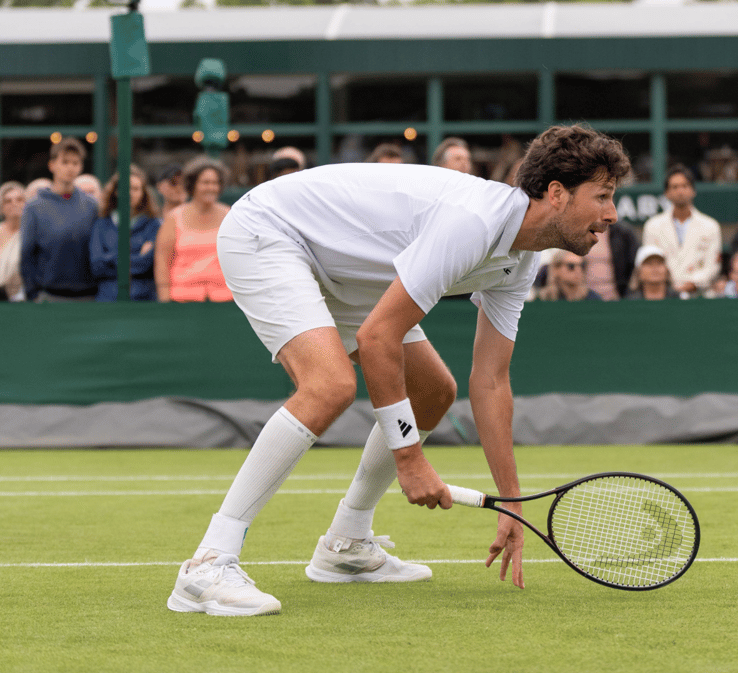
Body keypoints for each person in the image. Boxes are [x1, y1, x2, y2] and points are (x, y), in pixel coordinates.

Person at [166, 124, 630, 616]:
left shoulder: (522, 259)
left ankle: (345, 545)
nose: (612, 213)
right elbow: (376, 339)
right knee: (330, 386)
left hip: (343, 266)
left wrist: (512, 502)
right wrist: (409, 460)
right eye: (601, 196)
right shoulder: (472, 223)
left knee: (434, 391)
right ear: (556, 194)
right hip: (271, 230)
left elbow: (490, 381)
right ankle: (208, 564)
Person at [20, 137, 99, 302]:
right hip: (49, 296)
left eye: (75, 163)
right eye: (65, 162)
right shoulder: (34, 207)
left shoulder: (92, 206)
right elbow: (27, 255)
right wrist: (33, 295)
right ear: (52, 165)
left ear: (81, 167)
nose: (70, 167)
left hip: (89, 296)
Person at [154, 157, 233, 302]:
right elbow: (162, 262)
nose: (211, 187)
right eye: (205, 183)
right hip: (182, 301)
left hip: (225, 300)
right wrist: (165, 301)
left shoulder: (231, 216)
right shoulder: (174, 218)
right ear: (193, 185)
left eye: (215, 183)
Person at [641, 165, 722, 298]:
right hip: (664, 296)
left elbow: (713, 265)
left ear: (693, 190)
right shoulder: (652, 226)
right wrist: (672, 288)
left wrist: (694, 283)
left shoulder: (711, 226)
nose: (680, 191)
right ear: (667, 193)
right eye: (675, 187)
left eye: (685, 186)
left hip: (700, 296)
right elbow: (650, 264)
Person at [89, 166, 162, 302]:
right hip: (109, 300)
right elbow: (97, 267)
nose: (130, 193)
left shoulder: (154, 225)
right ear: (116, 191)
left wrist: (110, 258)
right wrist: (137, 256)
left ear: (143, 193)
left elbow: (149, 265)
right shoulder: (102, 224)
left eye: (135, 189)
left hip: (144, 301)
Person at [582, 218, 638, 300]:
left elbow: (632, 262)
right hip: (585, 298)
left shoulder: (623, 231)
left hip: (615, 297)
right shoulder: (576, 230)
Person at [537, 249, 602, 301]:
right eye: (571, 266)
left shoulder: (593, 298)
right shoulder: (544, 298)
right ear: (556, 269)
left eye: (582, 266)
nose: (578, 270)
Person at [0, 181, 25, 301]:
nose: (14, 203)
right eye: (8, 201)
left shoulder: (32, 233)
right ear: (1, 207)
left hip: (20, 299)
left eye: (19, 199)